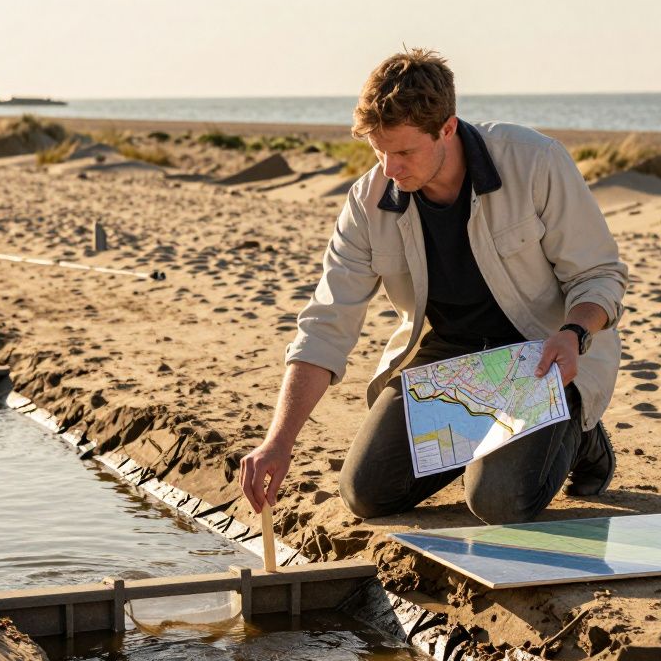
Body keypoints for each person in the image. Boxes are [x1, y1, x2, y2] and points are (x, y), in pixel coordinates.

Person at [239, 49, 627, 525]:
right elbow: (327, 323)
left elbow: (600, 275)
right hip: (448, 361)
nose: (389, 169)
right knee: (367, 493)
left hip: (542, 356)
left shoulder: (535, 162)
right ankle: (497, 436)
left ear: (447, 128)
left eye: (403, 152)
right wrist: (278, 442)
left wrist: (574, 334)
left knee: (497, 503)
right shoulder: (368, 202)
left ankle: (581, 434)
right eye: (378, 151)